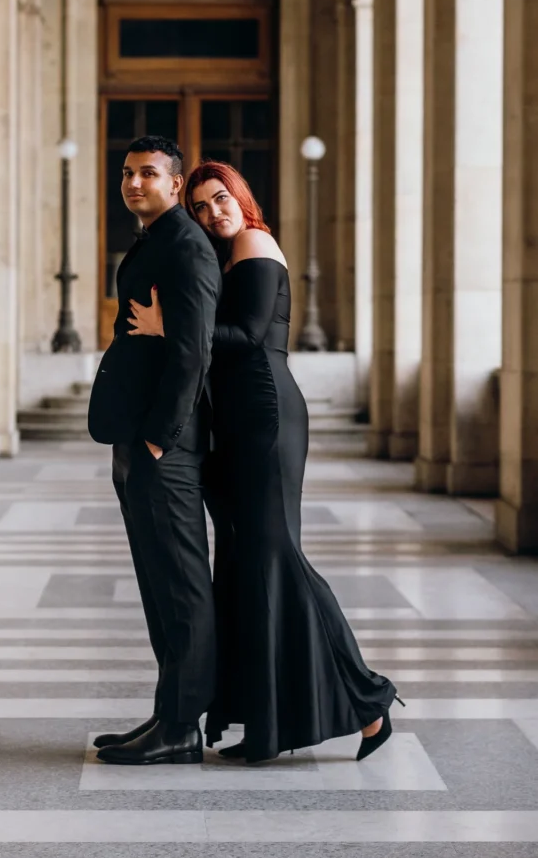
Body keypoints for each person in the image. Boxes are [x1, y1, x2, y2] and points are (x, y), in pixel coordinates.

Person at [128, 160, 403, 764]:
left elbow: (248, 335)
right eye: (200, 207)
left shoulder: (254, 241)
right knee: (248, 567)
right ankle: (268, 720)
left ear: (241, 197)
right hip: (235, 421)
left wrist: (166, 325)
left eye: (220, 199)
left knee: (277, 557)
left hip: (266, 415)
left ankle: (369, 701)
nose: (212, 213)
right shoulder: (223, 258)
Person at [87, 137, 221, 766]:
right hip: (136, 435)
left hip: (164, 445)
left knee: (182, 586)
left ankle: (182, 726)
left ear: (174, 183)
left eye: (148, 174)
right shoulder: (151, 239)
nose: (134, 182)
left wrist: (158, 441)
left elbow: (193, 351)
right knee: (157, 583)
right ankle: (169, 713)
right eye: (127, 172)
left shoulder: (185, 245)